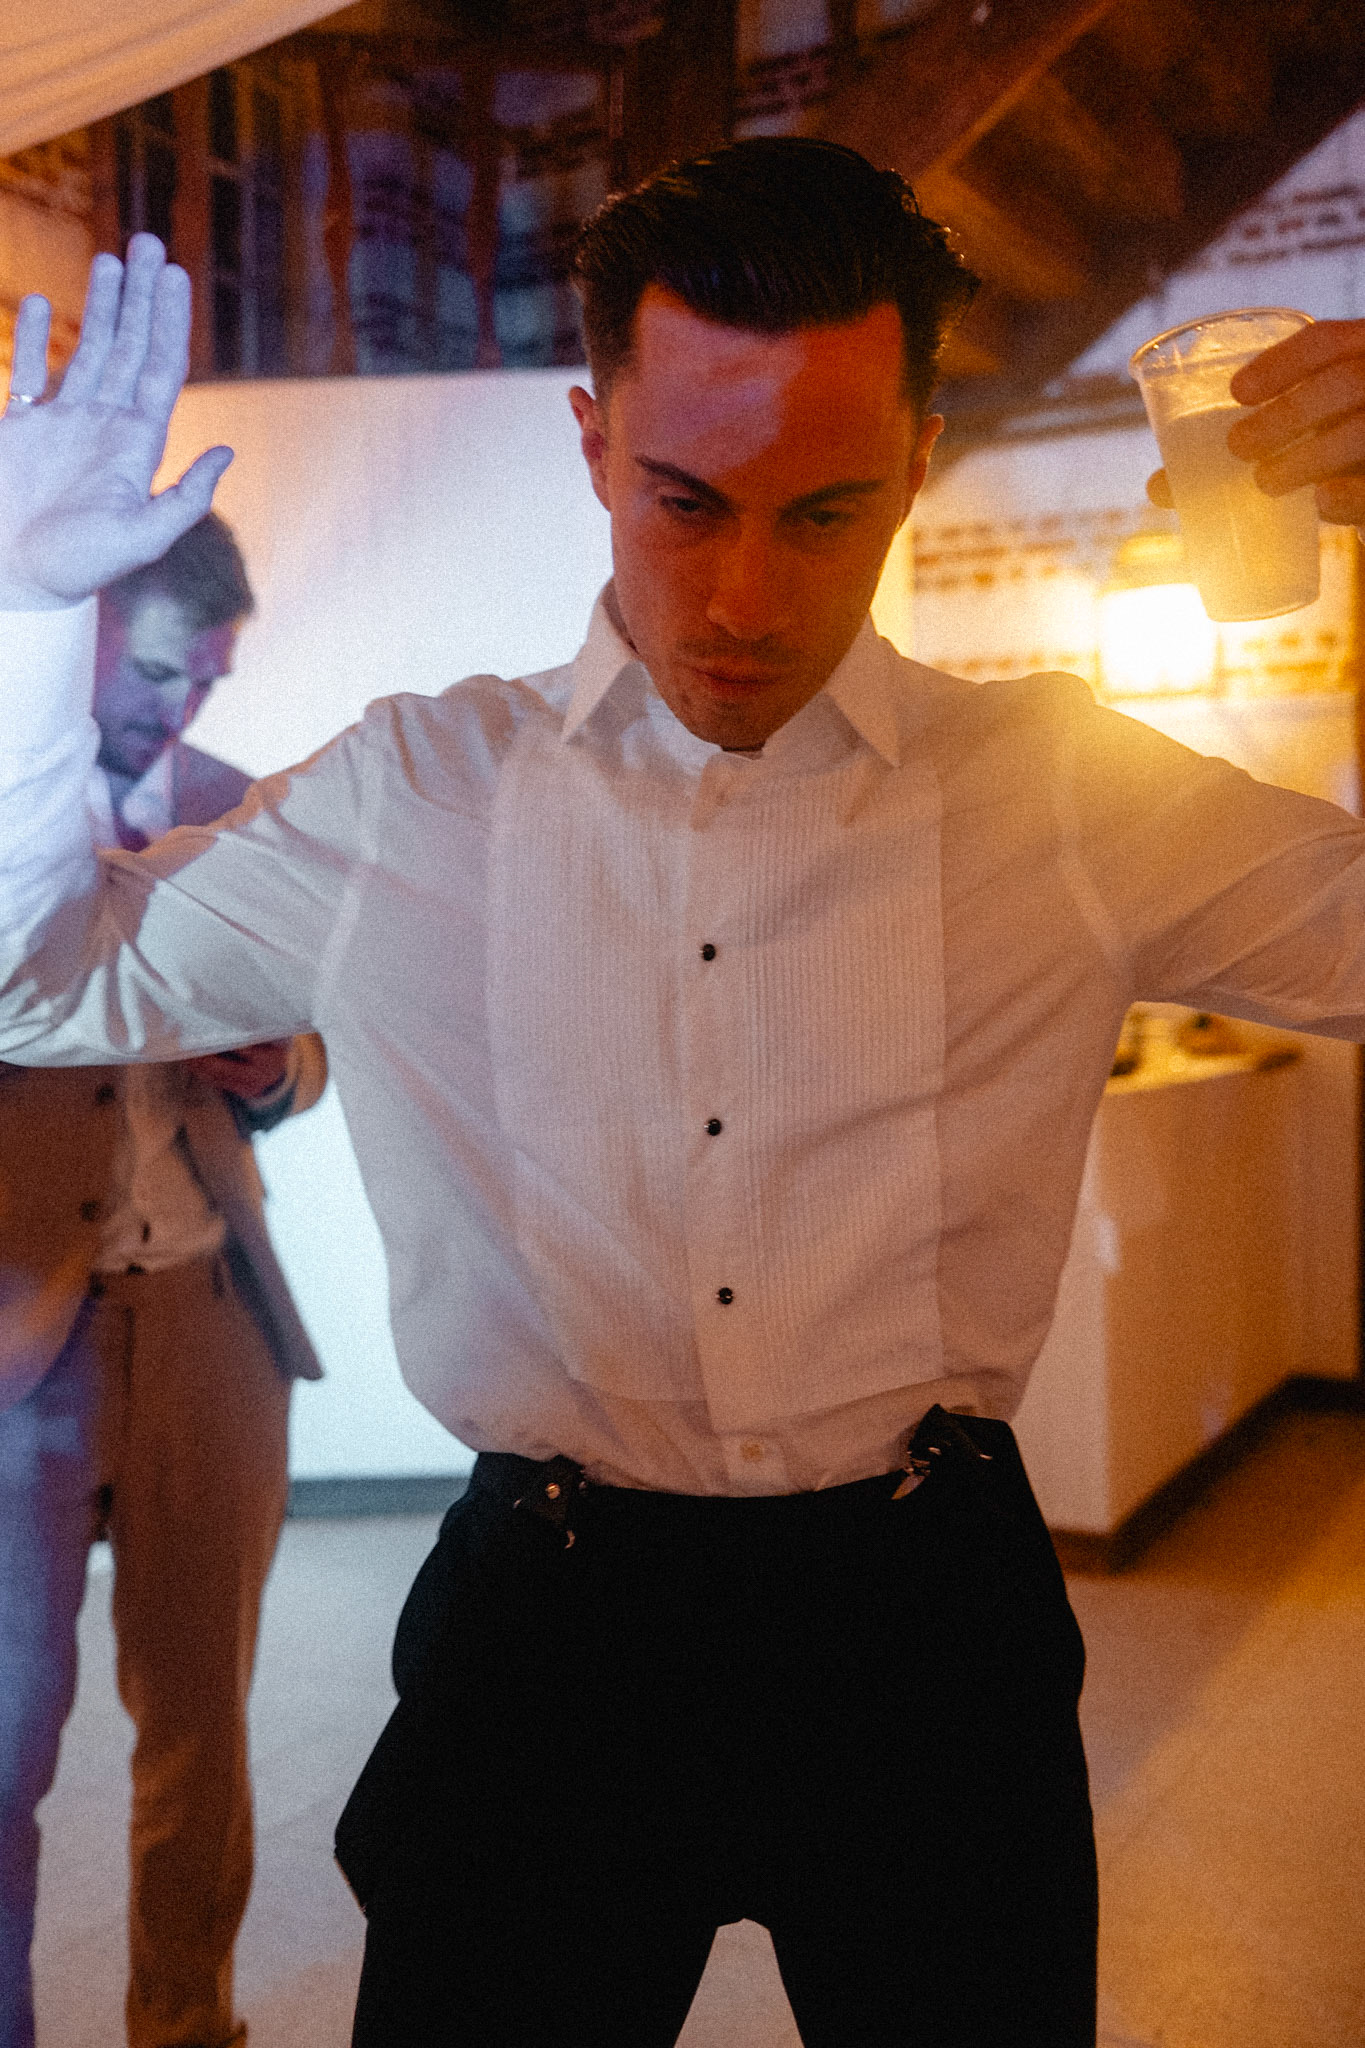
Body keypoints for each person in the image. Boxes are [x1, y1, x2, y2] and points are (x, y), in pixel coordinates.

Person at [0, 137, 1364, 2047]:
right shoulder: (415, 793)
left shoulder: (1060, 791)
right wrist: (19, 618)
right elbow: (39, 983)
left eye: (824, 513)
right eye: (683, 501)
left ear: (915, 461)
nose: (741, 594)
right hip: (545, 1629)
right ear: (592, 445)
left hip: (926, 1625)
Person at [0, 514, 327, 2048]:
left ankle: (185, 2027)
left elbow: (311, 1037)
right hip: (22, 1332)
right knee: (5, 1739)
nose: (180, 709)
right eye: (154, 672)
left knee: (203, 1729)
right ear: (79, 628)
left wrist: (280, 1066)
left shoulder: (236, 810)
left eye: (208, 679)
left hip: (214, 1315)